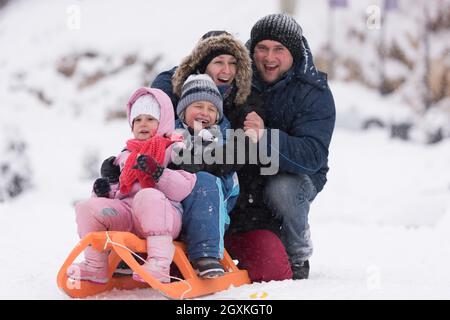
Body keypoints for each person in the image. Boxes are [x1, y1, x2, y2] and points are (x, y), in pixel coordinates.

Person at [225, 13, 336, 280]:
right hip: (246, 169)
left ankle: (297, 254)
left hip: (297, 174)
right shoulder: (240, 71)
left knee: (281, 189)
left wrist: (265, 138)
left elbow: (312, 155)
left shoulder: (313, 91)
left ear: (294, 53)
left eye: (279, 50)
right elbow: (193, 67)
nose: (269, 57)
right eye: (262, 48)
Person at [66, 87, 197, 284]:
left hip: (165, 214)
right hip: (128, 215)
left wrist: (159, 173)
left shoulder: (175, 149)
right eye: (138, 119)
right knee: (87, 208)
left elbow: (185, 187)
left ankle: (159, 264)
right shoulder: (125, 156)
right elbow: (120, 192)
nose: (143, 123)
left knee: (148, 196)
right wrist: (104, 189)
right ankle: (95, 266)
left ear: (163, 122)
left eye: (150, 119)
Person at [168, 74, 240, 278]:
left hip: (212, 212)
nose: (205, 113)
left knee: (205, 182)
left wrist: (205, 162)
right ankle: (133, 253)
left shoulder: (221, 139)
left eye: (212, 109)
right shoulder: (169, 134)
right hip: (173, 209)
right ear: (183, 111)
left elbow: (227, 185)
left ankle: (205, 254)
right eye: (198, 106)